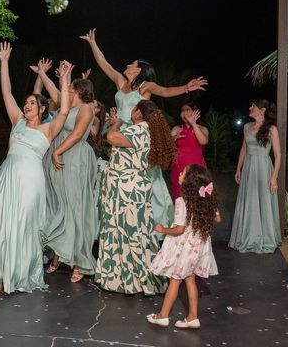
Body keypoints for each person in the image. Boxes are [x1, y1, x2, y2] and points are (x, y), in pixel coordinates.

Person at [80, 28, 208, 231]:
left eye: (131, 63)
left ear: (139, 69)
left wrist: (186, 88)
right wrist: (92, 42)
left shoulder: (145, 86)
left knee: (144, 176)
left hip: (137, 136)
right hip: (117, 134)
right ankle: (122, 222)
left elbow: (164, 91)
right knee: (119, 177)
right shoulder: (121, 83)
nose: (127, 64)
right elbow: (102, 62)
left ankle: (149, 223)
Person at [0, 42, 71, 295]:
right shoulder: (17, 121)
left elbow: (64, 109)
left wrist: (64, 79)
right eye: (26, 103)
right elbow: (7, 93)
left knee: (23, 224)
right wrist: (4, 62)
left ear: (42, 108)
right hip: (7, 176)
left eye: (32, 103)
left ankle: (18, 273)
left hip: (31, 180)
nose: (27, 105)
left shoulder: (48, 128)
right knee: (2, 222)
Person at [95, 100, 176, 295]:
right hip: (129, 186)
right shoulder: (145, 130)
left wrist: (115, 123)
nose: (132, 111)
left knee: (128, 231)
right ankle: (125, 277)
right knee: (131, 231)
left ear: (139, 113)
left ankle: (134, 279)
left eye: (134, 109)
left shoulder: (140, 129)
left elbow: (112, 137)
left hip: (127, 189)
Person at [147, 164, 220, 329]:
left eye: (183, 173)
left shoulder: (182, 202)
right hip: (199, 247)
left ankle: (162, 316)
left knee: (175, 280)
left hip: (185, 248)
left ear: (189, 182)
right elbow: (217, 219)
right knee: (190, 280)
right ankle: (193, 317)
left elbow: (179, 229)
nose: (179, 173)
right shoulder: (206, 199)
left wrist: (162, 229)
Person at [41, 77, 98, 283]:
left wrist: (57, 152)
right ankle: (58, 254)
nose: (66, 90)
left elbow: (77, 134)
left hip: (73, 159)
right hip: (57, 158)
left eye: (69, 87)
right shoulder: (64, 106)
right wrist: (44, 74)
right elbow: (53, 90)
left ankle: (78, 262)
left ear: (78, 90)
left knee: (74, 207)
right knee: (58, 206)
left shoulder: (86, 109)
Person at [229, 99, 282, 254]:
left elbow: (278, 155)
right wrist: (238, 168)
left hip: (264, 168)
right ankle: (248, 236)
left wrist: (274, 177)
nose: (250, 107)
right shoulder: (247, 127)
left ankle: (265, 237)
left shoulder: (271, 129)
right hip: (249, 168)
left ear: (262, 110)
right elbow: (244, 149)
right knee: (249, 201)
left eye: (253, 106)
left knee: (263, 201)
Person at [170, 102, 208, 200]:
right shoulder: (176, 129)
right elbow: (167, 148)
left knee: (198, 199)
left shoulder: (202, 129)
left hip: (197, 170)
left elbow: (203, 141)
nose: (184, 112)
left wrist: (193, 124)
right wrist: (172, 139)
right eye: (182, 110)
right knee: (180, 200)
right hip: (179, 170)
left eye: (188, 110)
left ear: (195, 112)